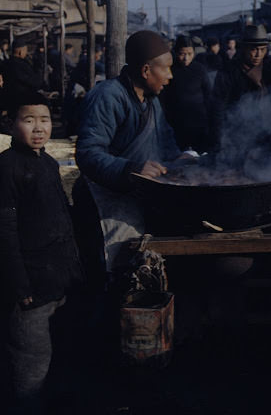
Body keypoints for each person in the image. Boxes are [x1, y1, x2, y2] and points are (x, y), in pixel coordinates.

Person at [73, 30, 193, 278]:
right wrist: (130, 169)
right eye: (166, 69)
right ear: (146, 70)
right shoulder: (107, 96)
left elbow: (165, 140)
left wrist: (180, 159)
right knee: (114, 276)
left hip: (137, 195)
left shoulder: (151, 100)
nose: (170, 76)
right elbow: (87, 152)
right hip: (105, 199)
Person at [0, 92, 83, 415]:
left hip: (58, 278)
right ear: (10, 124)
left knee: (58, 354)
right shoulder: (6, 168)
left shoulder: (47, 163)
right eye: (28, 120)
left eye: (45, 120)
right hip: (31, 285)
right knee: (30, 362)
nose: (38, 128)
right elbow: (4, 232)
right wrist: (20, 286)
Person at [161, 34, 212, 153]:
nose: (186, 58)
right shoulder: (170, 70)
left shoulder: (200, 69)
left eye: (190, 54)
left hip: (199, 122)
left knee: (201, 156)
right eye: (182, 54)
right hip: (177, 123)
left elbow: (208, 95)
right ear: (175, 52)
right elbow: (163, 97)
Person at [1, 39, 43, 111]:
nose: (26, 53)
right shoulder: (21, 65)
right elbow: (32, 81)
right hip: (22, 98)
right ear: (20, 52)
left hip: (8, 97)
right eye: (25, 51)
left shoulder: (5, 63)